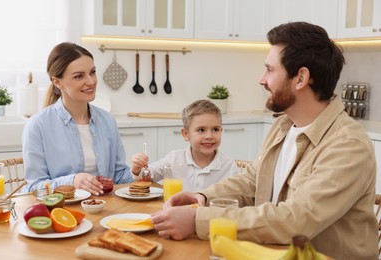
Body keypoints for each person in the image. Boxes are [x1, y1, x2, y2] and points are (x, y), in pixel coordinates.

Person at [150, 22, 378, 260]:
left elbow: (296, 220)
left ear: (301, 78)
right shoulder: (283, 126)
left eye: (269, 70)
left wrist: (199, 220)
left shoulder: (348, 145)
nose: (261, 79)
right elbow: (253, 181)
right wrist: (203, 197)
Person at [22, 42, 133, 195]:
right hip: (62, 212)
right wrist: (72, 181)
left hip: (104, 207)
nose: (91, 81)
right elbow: (34, 187)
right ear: (57, 82)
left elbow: (119, 176)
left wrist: (137, 171)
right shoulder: (38, 125)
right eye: (79, 76)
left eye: (92, 72)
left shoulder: (107, 120)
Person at [130, 99, 239, 191]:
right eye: (201, 130)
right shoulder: (173, 159)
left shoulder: (229, 166)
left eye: (215, 129)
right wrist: (137, 168)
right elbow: (146, 177)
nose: (209, 136)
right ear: (186, 134)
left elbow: (239, 199)